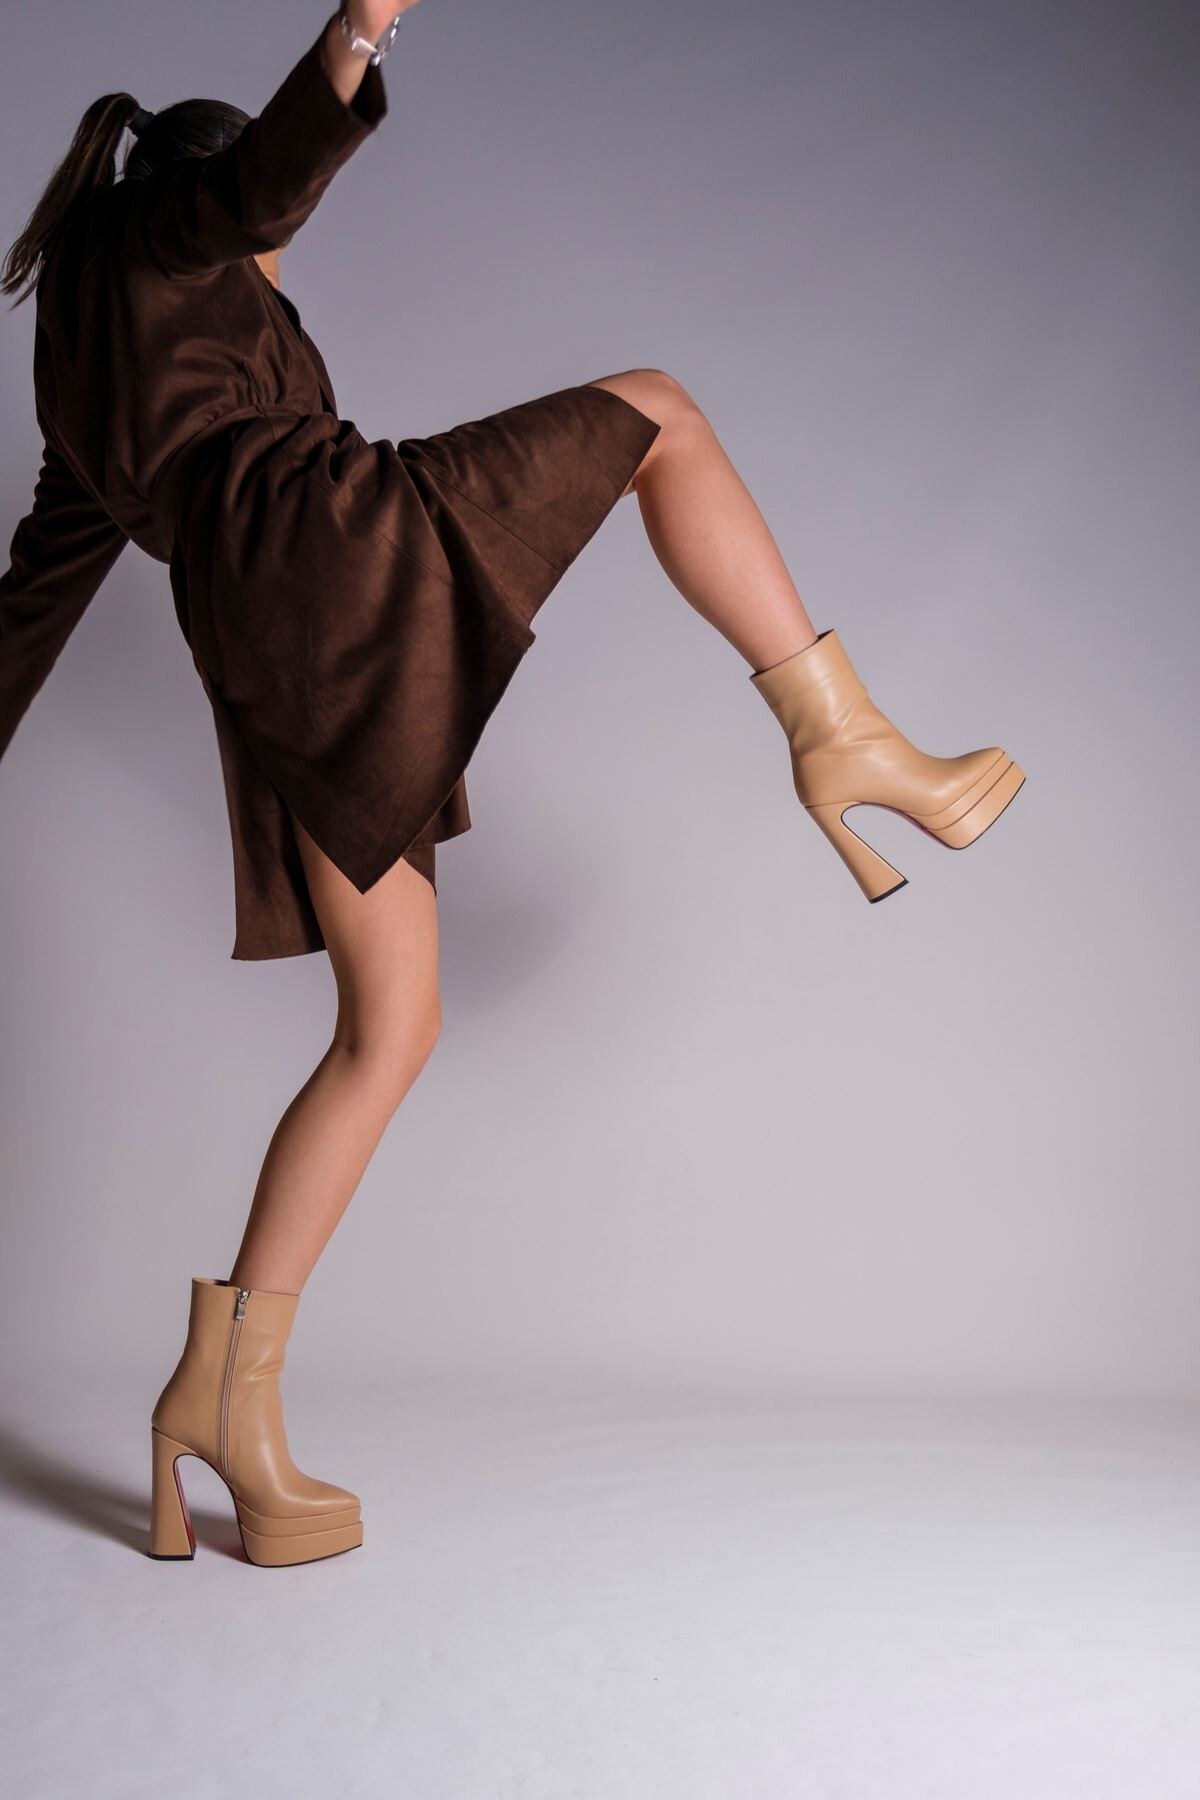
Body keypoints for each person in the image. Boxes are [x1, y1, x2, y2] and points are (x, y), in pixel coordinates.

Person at [0, 3, 1025, 1568]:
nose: (280, 262)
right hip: (325, 561)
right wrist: (356, 33)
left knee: (391, 1027)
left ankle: (218, 1400)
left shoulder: (80, 369)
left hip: (281, 660)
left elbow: (30, 599)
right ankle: (844, 737)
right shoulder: (167, 236)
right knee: (661, 409)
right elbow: (263, 187)